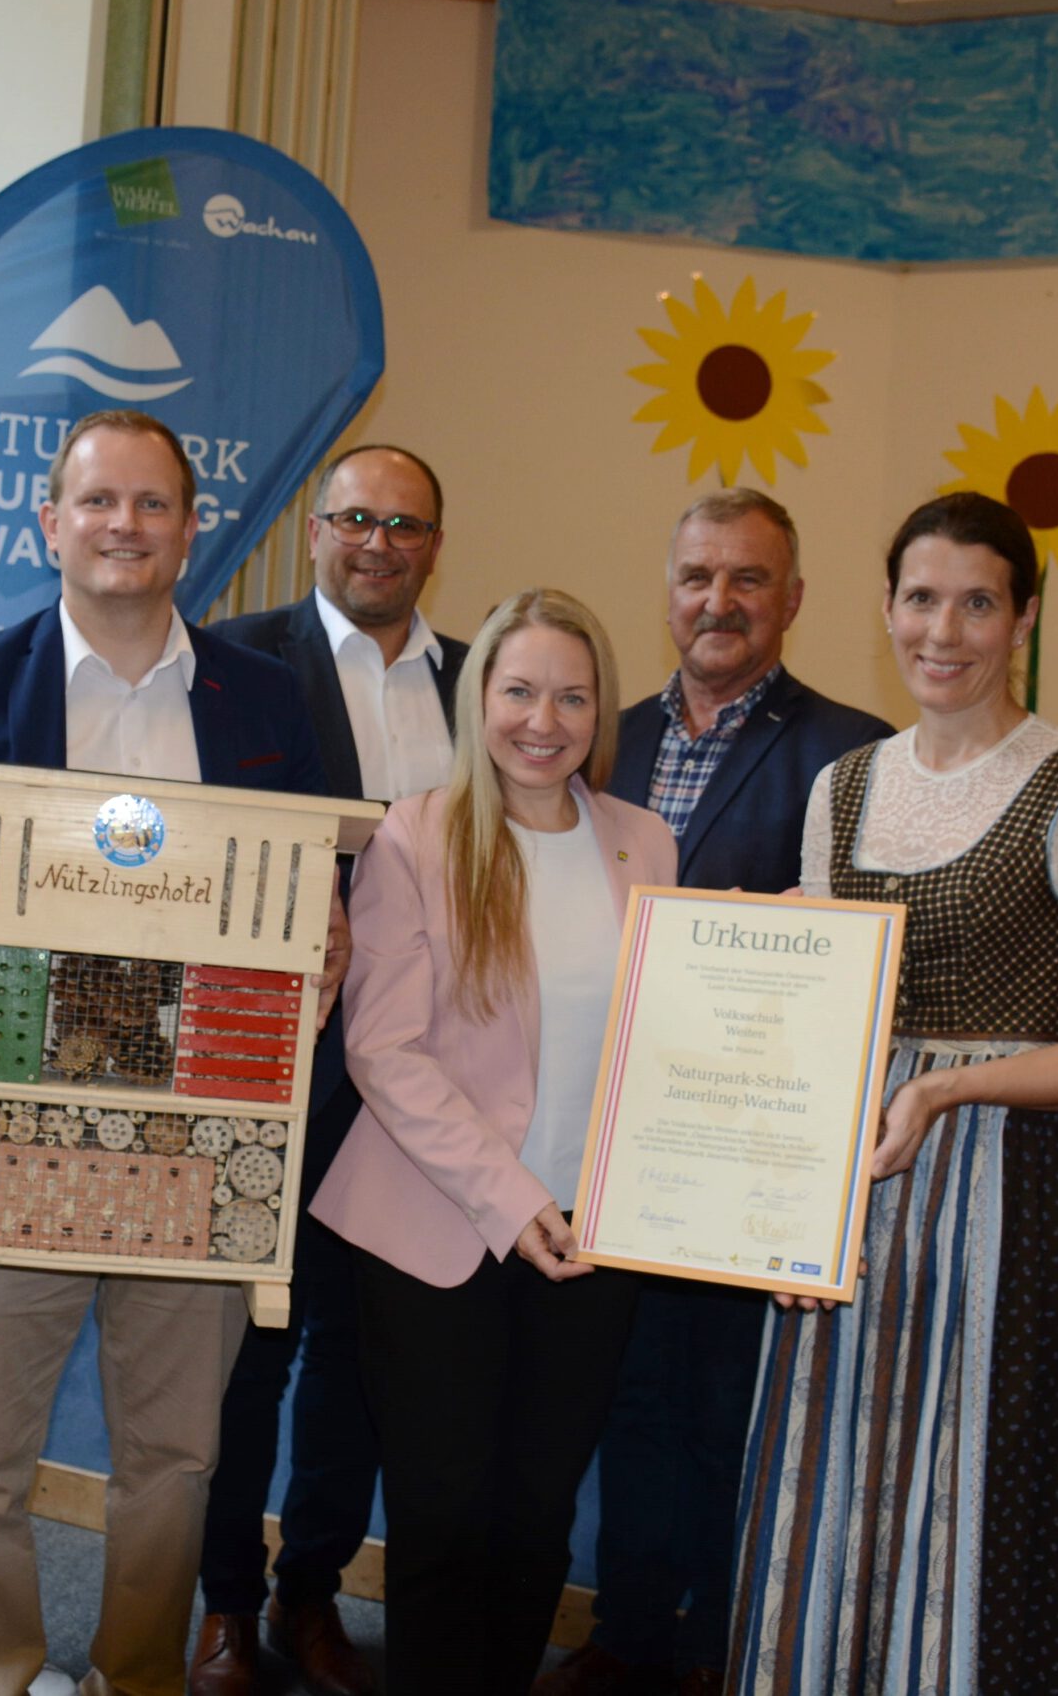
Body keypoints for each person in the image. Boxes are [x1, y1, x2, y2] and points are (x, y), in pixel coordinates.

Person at [0, 409, 337, 1696]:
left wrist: (326, 953)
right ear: (52, 523)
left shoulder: (273, 704)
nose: (124, 525)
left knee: (173, 1462)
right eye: (97, 502)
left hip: (200, 1146)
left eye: (152, 504)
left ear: (191, 528)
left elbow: (327, 899)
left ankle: (137, 1676)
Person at [731, 491, 1058, 1696]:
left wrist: (944, 1091)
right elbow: (822, 1010)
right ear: (885, 611)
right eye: (921, 598)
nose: (945, 629)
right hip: (853, 1198)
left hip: (1014, 1198)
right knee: (829, 1503)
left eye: (978, 601)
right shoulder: (843, 785)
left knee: (976, 1509)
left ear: (1023, 618)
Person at [543, 488, 888, 1696]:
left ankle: (718, 1647)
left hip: (752, 1156)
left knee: (732, 1413)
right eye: (697, 575)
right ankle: (630, 1632)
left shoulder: (855, 752)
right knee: (630, 1405)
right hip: (607, 1143)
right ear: (669, 588)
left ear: (792, 600)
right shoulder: (601, 736)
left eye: (748, 579)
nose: (718, 601)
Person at [313, 588, 679, 1696]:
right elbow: (384, 1050)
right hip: (436, 1234)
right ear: (480, 699)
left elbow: (665, 1031)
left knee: (536, 1516)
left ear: (600, 710)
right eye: (519, 689)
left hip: (589, 1239)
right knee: (441, 1515)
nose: (543, 718)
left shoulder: (645, 842)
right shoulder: (416, 832)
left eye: (572, 695)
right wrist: (510, 1196)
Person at [192, 445, 466, 1696]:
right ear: (315, 528)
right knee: (246, 1351)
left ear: (434, 544)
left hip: (422, 1082)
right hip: (270, 1063)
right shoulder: (227, 663)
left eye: (404, 523)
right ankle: (224, 1607)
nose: (377, 541)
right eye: (354, 516)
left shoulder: (483, 683)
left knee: (366, 1356)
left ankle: (312, 1592)